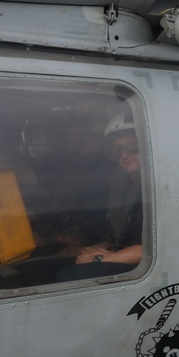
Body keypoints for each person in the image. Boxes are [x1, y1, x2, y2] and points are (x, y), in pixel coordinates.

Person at [56, 111, 144, 281]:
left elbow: (158, 248)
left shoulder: (160, 187)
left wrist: (98, 258)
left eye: (131, 145)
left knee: (67, 275)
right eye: (117, 149)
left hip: (144, 267)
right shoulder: (122, 185)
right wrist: (91, 249)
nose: (124, 154)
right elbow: (122, 236)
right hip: (124, 255)